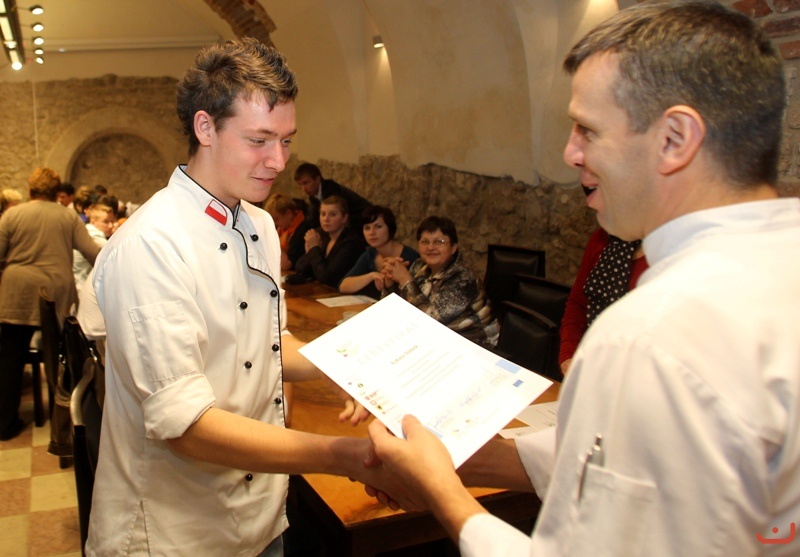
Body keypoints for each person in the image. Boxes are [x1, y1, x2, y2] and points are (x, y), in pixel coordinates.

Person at [366, 2, 800, 556]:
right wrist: (453, 458)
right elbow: (631, 461)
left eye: (587, 130)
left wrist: (441, 490)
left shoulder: (646, 336)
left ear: (675, 138)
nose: (570, 152)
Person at [87, 38, 409, 556]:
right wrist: (346, 457)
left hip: (261, 516)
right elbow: (187, 426)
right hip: (175, 533)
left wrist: (348, 368)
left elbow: (270, 345)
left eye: (286, 140)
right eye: (259, 140)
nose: (278, 161)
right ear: (205, 127)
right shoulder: (151, 245)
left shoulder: (257, 223)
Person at [0, 167, 100, 441]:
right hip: (56, 295)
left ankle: (5, 423)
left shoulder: (12, 215)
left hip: (16, 294)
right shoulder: (66, 216)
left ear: (30, 189)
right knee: (61, 359)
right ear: (57, 192)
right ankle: (65, 421)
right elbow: (92, 252)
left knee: (9, 360)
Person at [382, 216, 499, 349]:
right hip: (437, 340)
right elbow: (398, 311)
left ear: (453, 247)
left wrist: (405, 280)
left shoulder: (464, 278)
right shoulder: (419, 266)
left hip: (475, 345)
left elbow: (431, 322)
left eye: (439, 242)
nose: (431, 247)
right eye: (425, 242)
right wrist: (390, 283)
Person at [558, 226, 648, 375]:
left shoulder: (669, 255)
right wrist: (568, 356)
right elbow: (578, 304)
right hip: (591, 363)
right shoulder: (602, 237)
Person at [339, 205, 419, 299]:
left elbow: (417, 297)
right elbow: (343, 286)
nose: (371, 232)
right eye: (367, 228)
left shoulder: (411, 257)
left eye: (378, 227)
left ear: (390, 228)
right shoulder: (370, 254)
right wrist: (372, 276)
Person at [291, 195, 366, 287]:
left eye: (332, 214)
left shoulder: (351, 243)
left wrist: (314, 248)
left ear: (344, 218)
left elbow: (326, 277)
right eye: (323, 214)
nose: (326, 219)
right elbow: (300, 269)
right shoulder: (323, 237)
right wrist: (310, 252)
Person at [295, 162, 372, 230]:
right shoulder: (313, 196)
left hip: (363, 221)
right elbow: (313, 221)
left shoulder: (332, 190)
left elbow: (340, 220)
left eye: (306, 183)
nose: (303, 188)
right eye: (300, 184)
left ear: (318, 179)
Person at [72, 202, 116, 293]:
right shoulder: (94, 237)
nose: (110, 225)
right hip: (82, 289)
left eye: (112, 221)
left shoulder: (86, 232)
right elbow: (118, 255)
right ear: (92, 222)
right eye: (106, 222)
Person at [264, 193, 310, 271]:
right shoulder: (282, 229)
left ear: (288, 214)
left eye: (276, 219)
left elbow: (286, 264)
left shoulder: (302, 230)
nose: (275, 223)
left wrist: (274, 240)